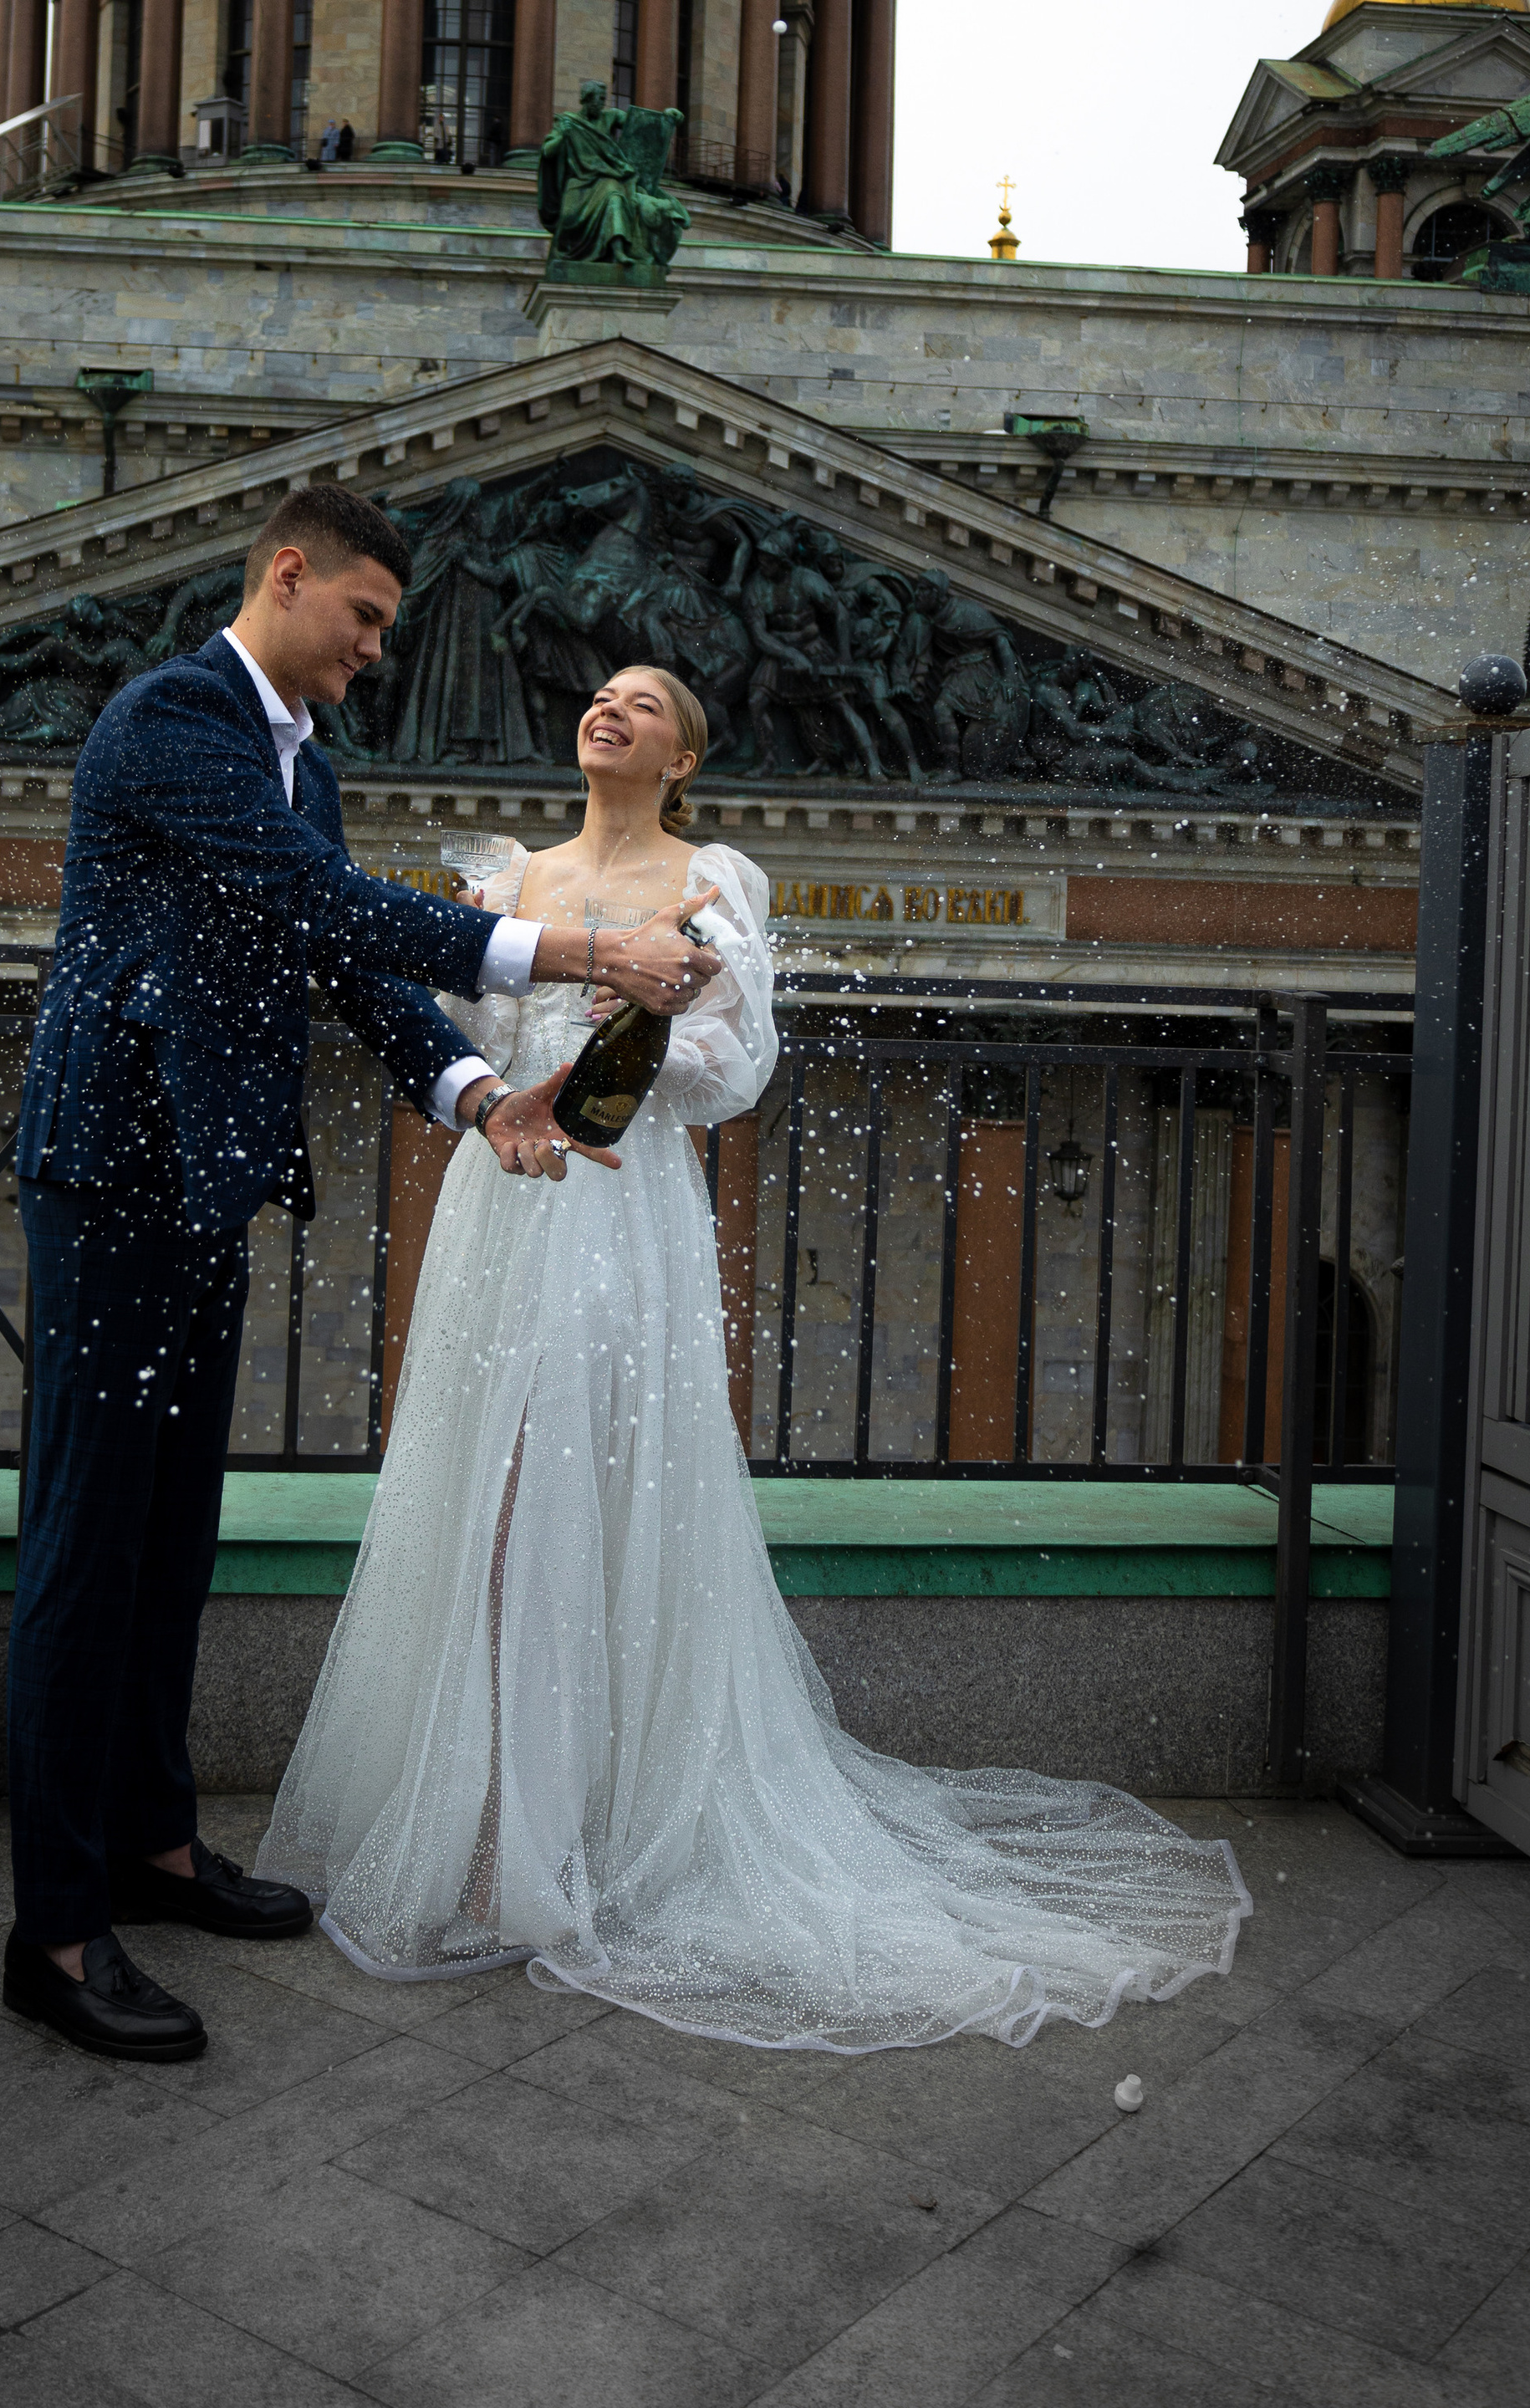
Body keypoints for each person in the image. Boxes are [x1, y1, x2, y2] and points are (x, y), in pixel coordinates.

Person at [261, 665, 1249, 2051]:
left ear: (684, 758)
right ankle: (494, 1818)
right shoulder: (504, 876)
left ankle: (529, 1844)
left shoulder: (715, 878)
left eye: (645, 701)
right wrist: (515, 1059)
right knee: (484, 1499)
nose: (610, 706)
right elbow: (469, 1038)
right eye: (599, 692)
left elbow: (737, 1075)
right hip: (506, 1202)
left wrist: (660, 1011)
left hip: (622, 1217)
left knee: (561, 1496)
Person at [3, 485, 719, 2061]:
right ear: (287, 575)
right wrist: (588, 955)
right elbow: (326, 909)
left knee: (169, 1532)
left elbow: (333, 964)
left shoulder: (299, 763)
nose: (380, 653)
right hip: (113, 1183)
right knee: (83, 1548)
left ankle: (154, 1847)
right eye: (367, 619)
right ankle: (54, 1932)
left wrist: (480, 1098)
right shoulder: (170, 720)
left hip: (198, 1187)